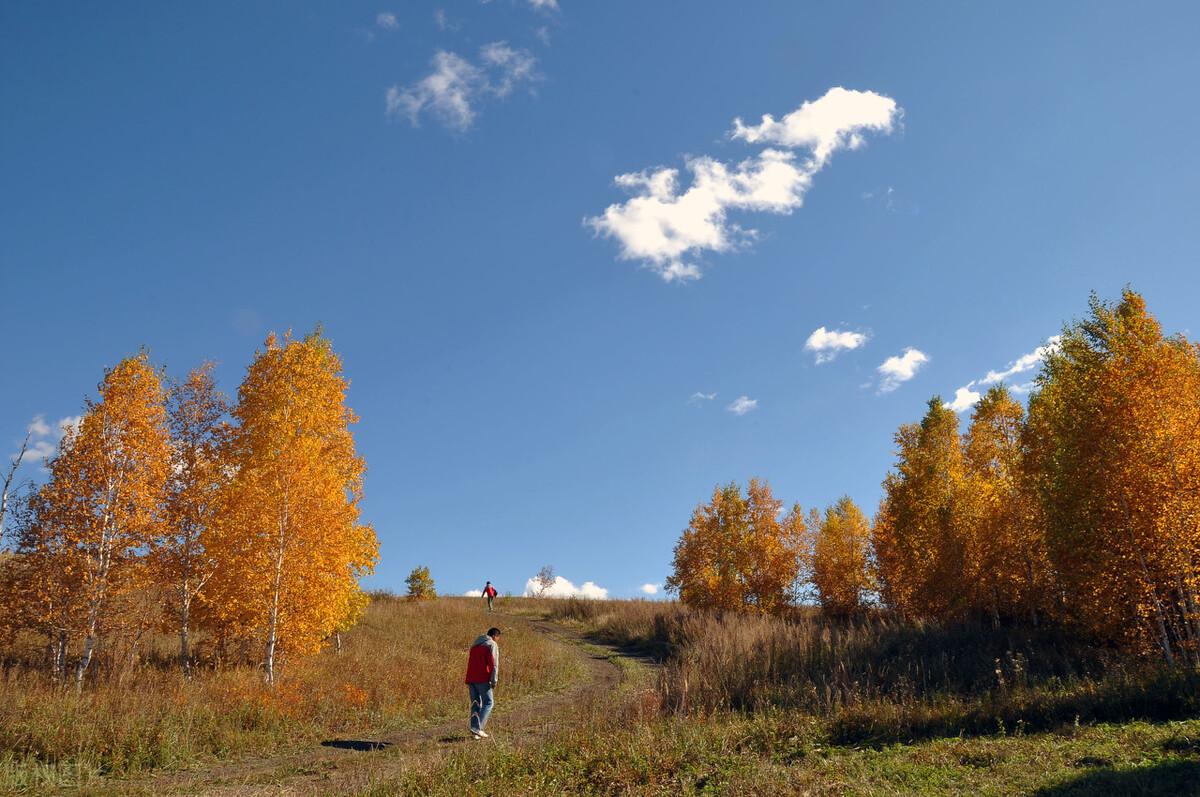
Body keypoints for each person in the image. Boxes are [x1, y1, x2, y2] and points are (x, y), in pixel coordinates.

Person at [464, 627, 500, 739]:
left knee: (476, 704)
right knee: (489, 703)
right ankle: (478, 728)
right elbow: (493, 664)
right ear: (495, 636)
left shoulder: (474, 645)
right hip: (483, 677)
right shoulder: (491, 644)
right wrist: (494, 680)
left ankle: (475, 732)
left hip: (471, 678)